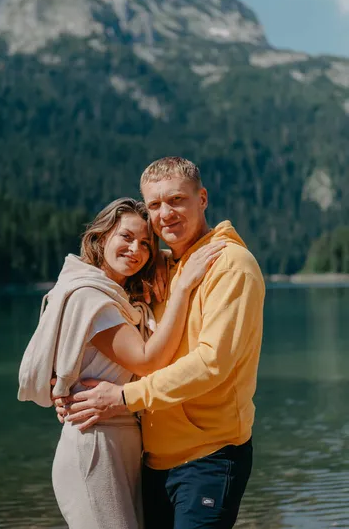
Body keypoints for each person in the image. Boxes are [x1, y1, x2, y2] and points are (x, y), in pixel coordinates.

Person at [56, 157, 265, 529]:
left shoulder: (231, 265)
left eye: (176, 200)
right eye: (154, 205)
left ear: (202, 198)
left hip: (210, 457)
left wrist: (120, 399)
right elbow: (113, 334)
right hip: (153, 461)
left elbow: (211, 365)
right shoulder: (160, 268)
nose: (165, 214)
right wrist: (68, 388)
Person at [18, 197, 225, 529]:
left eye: (145, 243)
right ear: (101, 238)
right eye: (125, 237)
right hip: (95, 443)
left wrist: (160, 258)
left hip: (123, 446)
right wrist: (184, 287)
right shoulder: (92, 299)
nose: (136, 249)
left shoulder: (122, 297)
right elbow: (146, 361)